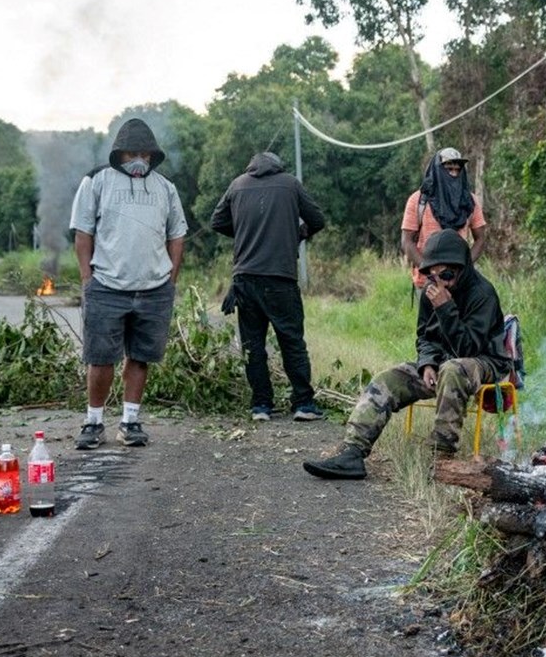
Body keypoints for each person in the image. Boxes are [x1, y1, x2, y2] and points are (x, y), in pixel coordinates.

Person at [303, 229, 511, 480]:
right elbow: (425, 337)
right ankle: (352, 452)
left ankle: (440, 459)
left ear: (462, 267)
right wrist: (427, 364)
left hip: (485, 362)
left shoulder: (482, 294)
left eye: (446, 275)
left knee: (454, 368)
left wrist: (446, 308)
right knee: (389, 378)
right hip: (445, 363)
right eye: (432, 276)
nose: (440, 283)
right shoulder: (431, 293)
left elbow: (468, 348)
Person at [70, 117, 187, 449]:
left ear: (153, 156)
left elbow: (177, 236)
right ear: (119, 154)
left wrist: (170, 280)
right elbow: (83, 233)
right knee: (101, 357)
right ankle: (93, 423)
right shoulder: (96, 181)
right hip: (106, 285)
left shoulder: (166, 187)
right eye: (133, 153)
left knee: (140, 356)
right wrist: (88, 281)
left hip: (154, 290)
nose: (140, 159)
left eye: (146, 154)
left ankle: (130, 421)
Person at [210, 151, 326, 422]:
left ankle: (261, 405)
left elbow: (217, 221)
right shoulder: (290, 184)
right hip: (280, 277)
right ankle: (303, 404)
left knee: (253, 346)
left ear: (251, 166)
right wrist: (296, 233)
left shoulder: (237, 185)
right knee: (292, 342)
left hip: (245, 279)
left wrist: (243, 231)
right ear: (278, 166)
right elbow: (317, 219)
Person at [400, 147, 487, 292]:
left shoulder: (469, 202)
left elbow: (481, 239)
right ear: (437, 170)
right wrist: (430, 272)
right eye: (449, 169)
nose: (454, 173)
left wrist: (464, 267)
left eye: (457, 170)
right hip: (427, 283)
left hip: (459, 282)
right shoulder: (418, 200)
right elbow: (407, 242)